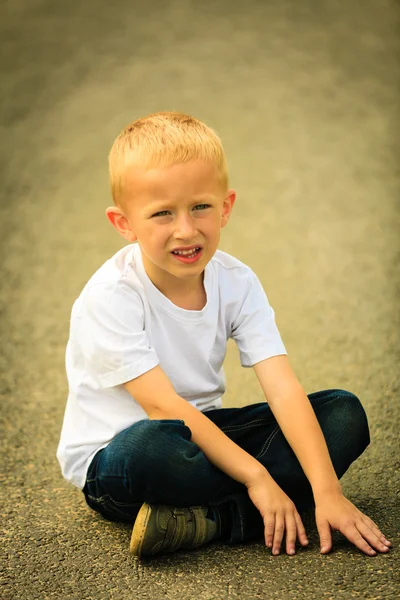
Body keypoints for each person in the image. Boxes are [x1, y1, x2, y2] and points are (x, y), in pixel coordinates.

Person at [57, 111, 391, 559]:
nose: (186, 229)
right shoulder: (110, 296)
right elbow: (162, 407)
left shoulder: (237, 281)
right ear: (124, 224)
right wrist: (258, 478)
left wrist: (328, 490)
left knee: (343, 414)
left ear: (226, 207)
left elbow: (282, 387)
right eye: (161, 214)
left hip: (204, 437)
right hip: (121, 457)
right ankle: (254, 508)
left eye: (200, 206)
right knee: (150, 446)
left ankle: (207, 520)